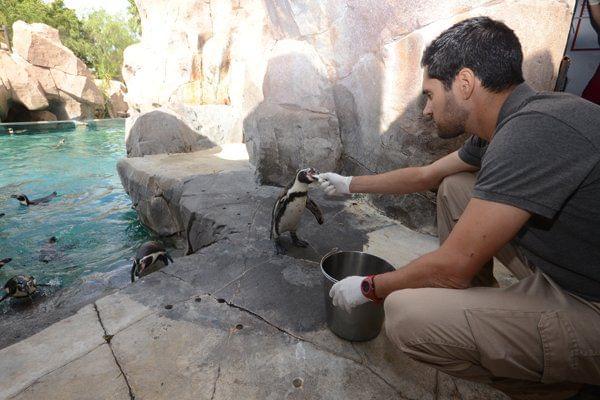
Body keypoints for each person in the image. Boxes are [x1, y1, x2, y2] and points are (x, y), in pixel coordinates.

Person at [317, 16, 600, 400]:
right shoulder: (513, 119)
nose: (427, 111)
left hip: (589, 301)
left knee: (405, 315)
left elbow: (451, 268)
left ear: (464, 84)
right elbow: (425, 176)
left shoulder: (530, 134)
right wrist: (349, 184)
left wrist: (369, 288)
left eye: (430, 95)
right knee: (455, 187)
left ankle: (555, 385)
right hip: (576, 265)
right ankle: (485, 308)